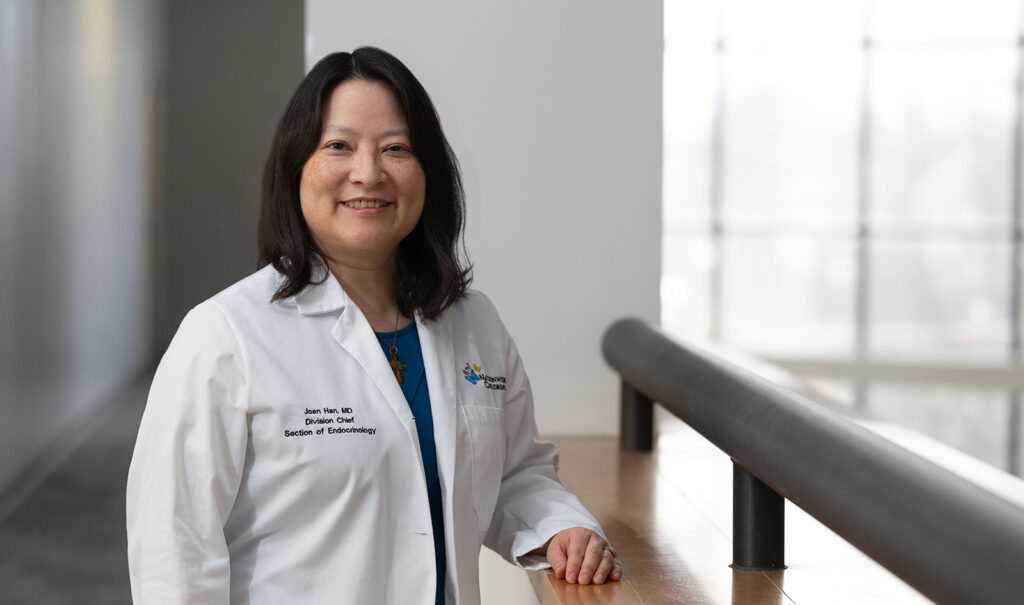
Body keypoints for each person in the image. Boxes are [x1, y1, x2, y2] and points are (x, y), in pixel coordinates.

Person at [126, 47, 622, 604]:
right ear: (296, 169)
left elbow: (512, 474)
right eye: (338, 146)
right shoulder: (226, 335)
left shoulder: (474, 321)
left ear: (427, 172)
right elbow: (175, 547)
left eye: (396, 149)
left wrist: (562, 527)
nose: (368, 173)